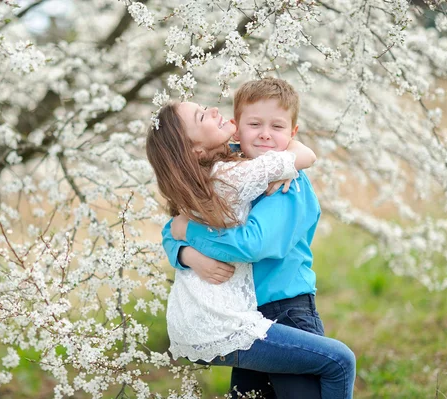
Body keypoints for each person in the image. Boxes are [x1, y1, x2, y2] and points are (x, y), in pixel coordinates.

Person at [147, 82, 356, 399]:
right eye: (254, 125)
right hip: (245, 315)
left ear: (291, 132)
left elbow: (252, 245)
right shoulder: (232, 171)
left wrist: (189, 233)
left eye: (276, 127)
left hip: (287, 311)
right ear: (237, 129)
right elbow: (173, 227)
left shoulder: (287, 185)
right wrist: (189, 254)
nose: (265, 135)